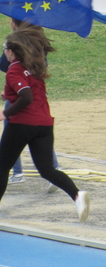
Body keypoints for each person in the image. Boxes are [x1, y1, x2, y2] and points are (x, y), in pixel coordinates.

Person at [0, 29, 90, 222]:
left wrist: (5, 113)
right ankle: (77, 195)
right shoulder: (33, 68)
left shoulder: (14, 70)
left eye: (4, 48)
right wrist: (7, 95)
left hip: (22, 124)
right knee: (47, 170)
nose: (4, 51)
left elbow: (26, 96)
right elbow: (32, 92)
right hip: (44, 125)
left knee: (2, 166)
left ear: (11, 52)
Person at [0, 19, 61, 186]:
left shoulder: (17, 41)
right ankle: (54, 169)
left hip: (23, 98)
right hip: (38, 96)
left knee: (9, 140)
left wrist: (5, 112)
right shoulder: (39, 38)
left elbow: (4, 65)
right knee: (41, 137)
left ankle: (17, 173)